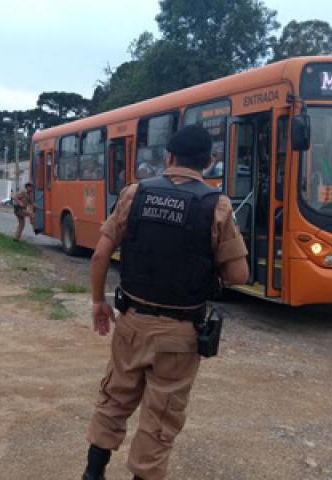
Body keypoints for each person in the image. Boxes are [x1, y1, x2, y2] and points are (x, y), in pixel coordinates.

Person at [81, 125, 249, 480]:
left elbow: (100, 256)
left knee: (114, 399)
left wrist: (99, 302)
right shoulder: (216, 204)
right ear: (210, 161)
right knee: (161, 416)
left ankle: (93, 474)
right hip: (180, 333)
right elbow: (239, 274)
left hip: (131, 322)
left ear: (168, 157)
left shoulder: (134, 193)